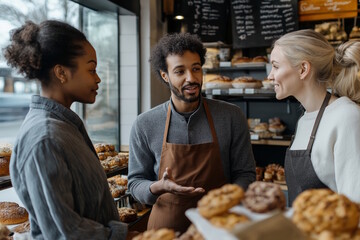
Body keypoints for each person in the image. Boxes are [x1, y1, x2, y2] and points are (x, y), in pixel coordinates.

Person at [4, 20, 128, 239]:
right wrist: (119, 235)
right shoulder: (45, 139)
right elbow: (64, 231)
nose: (98, 79)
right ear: (61, 72)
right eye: (91, 69)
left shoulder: (63, 127)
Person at [127, 32, 256, 233]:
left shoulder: (231, 116)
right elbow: (135, 184)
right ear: (165, 75)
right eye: (180, 71)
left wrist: (223, 202)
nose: (191, 78)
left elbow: (245, 173)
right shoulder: (144, 124)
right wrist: (159, 187)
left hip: (220, 227)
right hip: (166, 231)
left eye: (196, 69)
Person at [267, 29, 360, 205]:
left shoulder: (346, 117)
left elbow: (356, 204)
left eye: (276, 66)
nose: (270, 76)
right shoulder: (304, 119)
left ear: (303, 69)